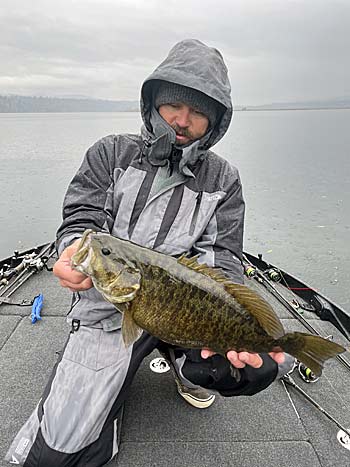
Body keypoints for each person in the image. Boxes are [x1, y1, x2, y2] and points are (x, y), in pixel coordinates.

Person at [6, 39, 290, 467]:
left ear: (214, 121)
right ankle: (109, 390)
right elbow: (82, 219)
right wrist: (70, 252)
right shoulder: (110, 153)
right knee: (55, 455)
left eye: (198, 111)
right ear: (153, 101)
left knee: (251, 367)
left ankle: (191, 372)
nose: (182, 119)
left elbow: (224, 260)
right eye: (173, 104)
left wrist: (237, 323)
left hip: (185, 316)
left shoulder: (224, 180)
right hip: (110, 310)